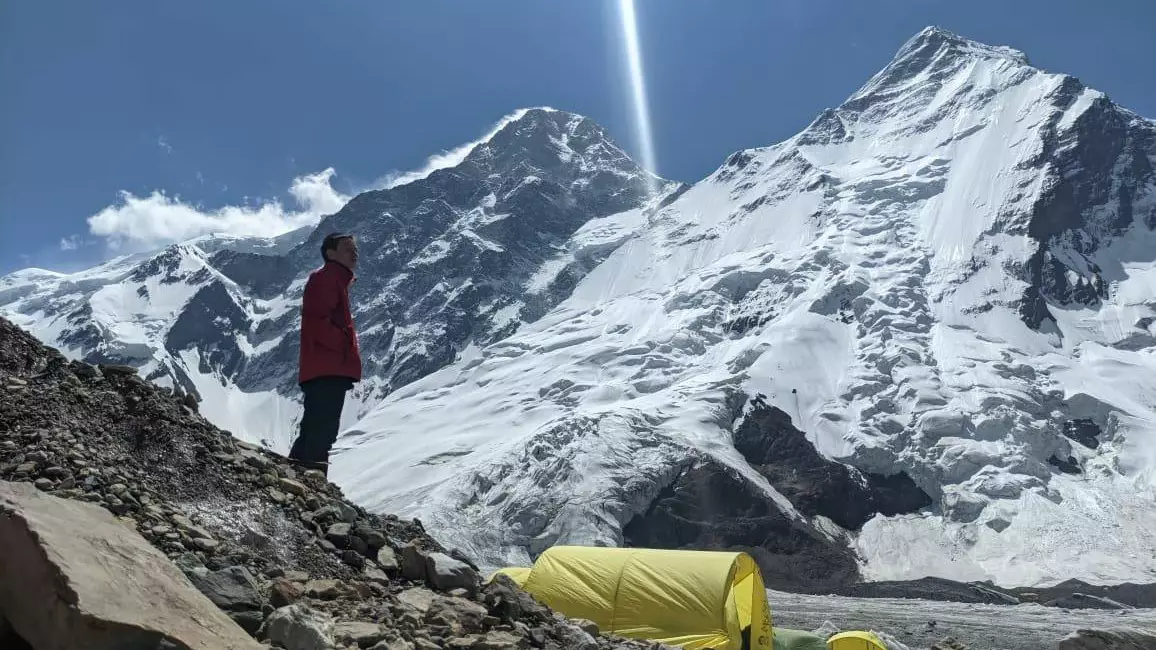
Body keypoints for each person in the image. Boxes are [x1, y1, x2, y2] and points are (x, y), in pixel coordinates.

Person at [289, 232, 362, 476]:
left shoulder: (335, 281)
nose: (354, 252)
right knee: (324, 428)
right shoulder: (325, 279)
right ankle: (313, 481)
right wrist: (342, 345)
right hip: (328, 366)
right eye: (347, 248)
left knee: (315, 425)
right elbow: (317, 320)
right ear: (330, 253)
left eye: (355, 248)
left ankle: (296, 475)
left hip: (325, 366)